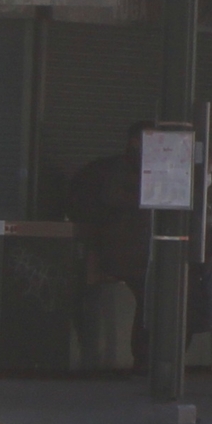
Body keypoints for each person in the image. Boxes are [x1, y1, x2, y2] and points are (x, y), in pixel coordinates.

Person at [67, 122, 154, 370]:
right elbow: (114, 197)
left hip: (119, 247)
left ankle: (140, 359)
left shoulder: (117, 168)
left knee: (143, 300)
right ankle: (143, 360)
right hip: (127, 249)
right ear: (136, 142)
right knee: (147, 300)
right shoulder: (128, 171)